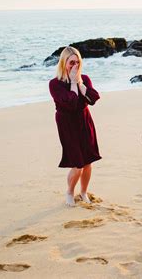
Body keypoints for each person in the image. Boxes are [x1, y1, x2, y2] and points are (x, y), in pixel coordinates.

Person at [49, 46, 101, 207]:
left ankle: (84, 192)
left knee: (88, 162)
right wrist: (72, 83)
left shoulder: (84, 78)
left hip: (84, 121)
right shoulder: (55, 84)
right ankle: (70, 192)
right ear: (64, 63)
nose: (75, 66)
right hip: (67, 123)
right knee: (77, 164)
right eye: (71, 63)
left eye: (78, 62)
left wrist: (79, 83)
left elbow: (93, 98)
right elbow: (71, 102)